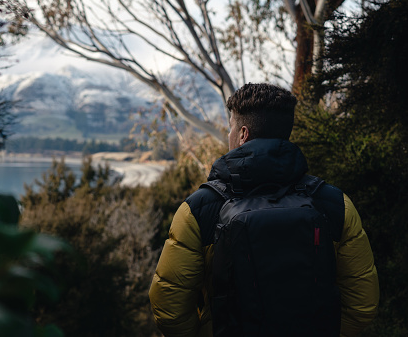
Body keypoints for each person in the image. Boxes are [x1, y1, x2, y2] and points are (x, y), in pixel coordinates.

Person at [148, 83, 379, 337]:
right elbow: (362, 306)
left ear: (243, 134)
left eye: (230, 128)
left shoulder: (198, 209)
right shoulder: (335, 204)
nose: (229, 136)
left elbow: (170, 309)